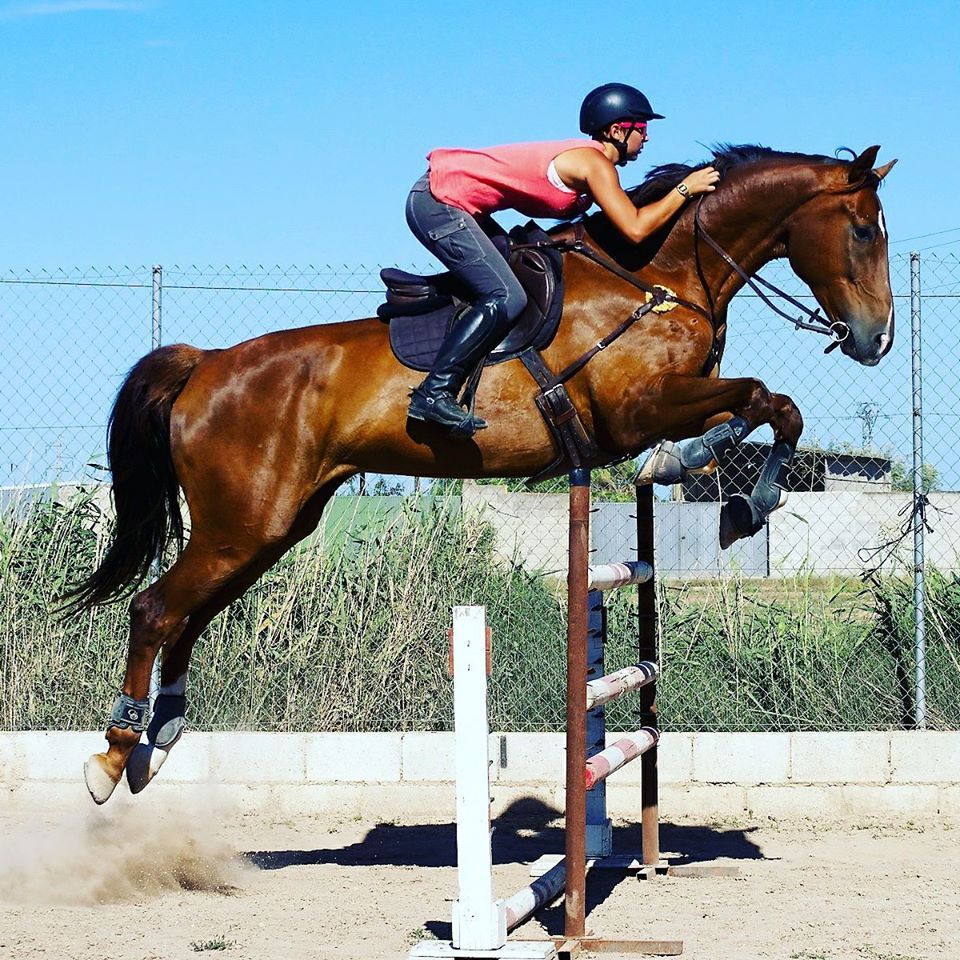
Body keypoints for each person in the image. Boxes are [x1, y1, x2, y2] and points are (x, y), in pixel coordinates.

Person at [405, 82, 720, 437]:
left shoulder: (591, 163)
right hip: (438, 202)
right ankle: (433, 393)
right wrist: (684, 189)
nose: (646, 139)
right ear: (617, 130)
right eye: (642, 129)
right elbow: (634, 228)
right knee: (508, 295)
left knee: (511, 271)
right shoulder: (594, 164)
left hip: (459, 206)